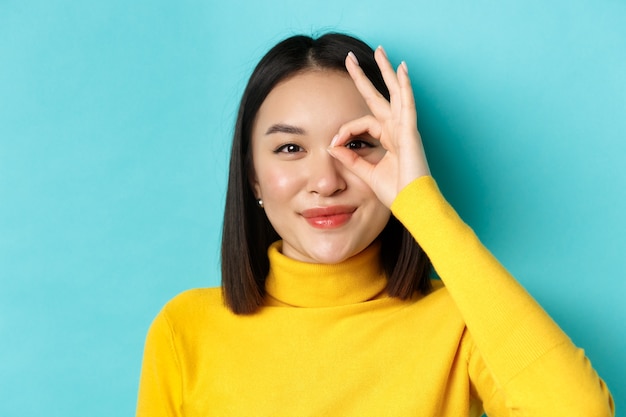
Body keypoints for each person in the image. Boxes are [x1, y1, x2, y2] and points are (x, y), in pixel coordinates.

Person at [136, 33, 614, 416]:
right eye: (289, 148)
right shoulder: (185, 331)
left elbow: (579, 411)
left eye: (358, 143)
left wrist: (419, 203)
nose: (325, 181)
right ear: (252, 178)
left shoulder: (463, 321)